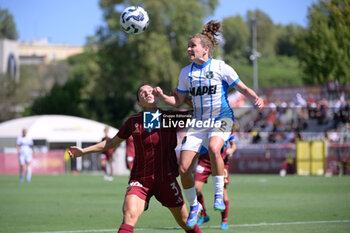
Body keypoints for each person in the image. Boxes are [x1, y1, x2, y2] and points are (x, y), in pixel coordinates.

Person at [153, 20, 264, 227]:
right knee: (184, 168)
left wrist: (255, 98)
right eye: (188, 46)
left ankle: (218, 195)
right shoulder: (186, 72)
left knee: (214, 148)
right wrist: (162, 97)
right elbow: (177, 102)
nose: (188, 49)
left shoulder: (220, 67)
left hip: (222, 117)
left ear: (205, 49)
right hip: (199, 122)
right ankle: (194, 205)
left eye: (192, 46)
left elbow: (242, 88)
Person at [68, 84, 201, 233]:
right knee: (129, 215)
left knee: (186, 222)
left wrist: (184, 99)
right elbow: (111, 142)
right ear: (139, 103)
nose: (147, 93)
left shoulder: (170, 118)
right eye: (142, 93)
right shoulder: (133, 121)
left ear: (157, 96)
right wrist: (84, 151)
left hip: (166, 180)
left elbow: (203, 114)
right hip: (140, 180)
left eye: (150, 91)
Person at [195, 132, 237, 230]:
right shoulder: (203, 123)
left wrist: (231, 150)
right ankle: (203, 214)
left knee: (223, 192)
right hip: (204, 161)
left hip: (221, 161)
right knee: (196, 188)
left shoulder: (225, 123)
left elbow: (233, 145)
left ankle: (224, 220)